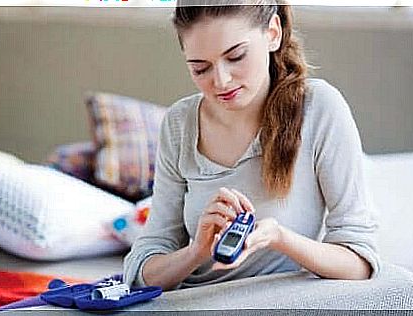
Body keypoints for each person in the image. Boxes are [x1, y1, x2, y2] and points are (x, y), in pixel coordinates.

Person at [123, 0, 380, 291]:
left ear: (273, 33)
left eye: (236, 57)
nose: (221, 80)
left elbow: (360, 261)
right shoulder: (180, 123)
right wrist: (196, 252)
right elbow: (142, 271)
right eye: (200, 68)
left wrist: (279, 238)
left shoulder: (319, 108)